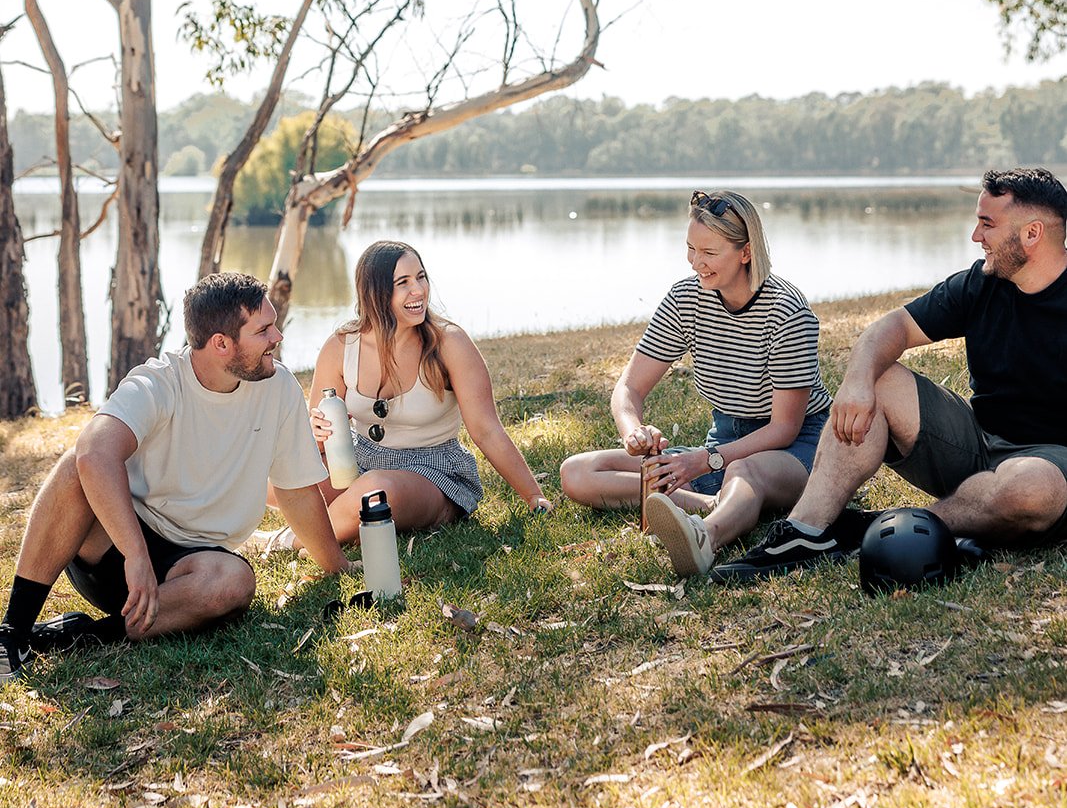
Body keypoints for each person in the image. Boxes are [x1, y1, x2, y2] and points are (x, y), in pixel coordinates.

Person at [713, 166, 1067, 582]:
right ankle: (805, 531)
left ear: (1032, 234)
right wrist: (859, 381)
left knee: (1030, 489)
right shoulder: (980, 284)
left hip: (1050, 463)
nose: (975, 237)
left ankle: (876, 530)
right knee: (879, 377)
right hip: (976, 444)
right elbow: (891, 329)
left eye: (987, 224)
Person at [0, 272, 357, 682]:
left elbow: (296, 491)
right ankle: (14, 631)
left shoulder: (279, 388)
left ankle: (86, 635)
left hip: (188, 571)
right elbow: (96, 454)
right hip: (115, 547)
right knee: (76, 464)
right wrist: (135, 555)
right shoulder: (159, 381)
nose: (278, 336)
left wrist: (337, 566)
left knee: (234, 582)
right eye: (263, 329)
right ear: (221, 344)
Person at [559, 190, 831, 577]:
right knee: (579, 472)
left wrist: (704, 460)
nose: (696, 263)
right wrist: (633, 432)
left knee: (744, 472)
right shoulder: (687, 298)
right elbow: (628, 389)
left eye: (709, 252)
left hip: (798, 447)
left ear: (746, 252)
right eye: (690, 249)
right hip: (721, 445)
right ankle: (712, 505)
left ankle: (707, 536)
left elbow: (784, 427)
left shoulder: (787, 312)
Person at [248, 239, 550, 554]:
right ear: (374, 293)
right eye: (402, 283)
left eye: (421, 277)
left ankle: (285, 541)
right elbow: (314, 446)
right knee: (275, 481)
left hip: (432, 473)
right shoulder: (341, 347)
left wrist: (533, 495)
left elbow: (486, 430)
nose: (418, 290)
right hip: (357, 462)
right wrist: (318, 429)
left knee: (376, 491)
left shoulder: (450, 344)